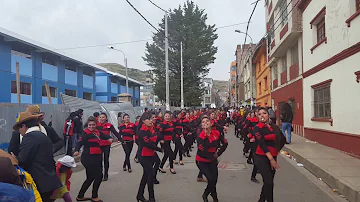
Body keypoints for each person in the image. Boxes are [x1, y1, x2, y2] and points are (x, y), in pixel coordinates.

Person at [12, 111, 62, 202]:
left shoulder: (30, 137)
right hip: (49, 182)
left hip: (40, 183)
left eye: (19, 128)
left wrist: (14, 158)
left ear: (23, 126)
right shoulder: (42, 135)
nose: (18, 131)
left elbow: (23, 159)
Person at [74, 116, 112, 202]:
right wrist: (76, 150)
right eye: (89, 125)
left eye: (93, 125)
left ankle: (80, 196)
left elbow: (104, 135)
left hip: (97, 157)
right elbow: (79, 143)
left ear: (96, 125)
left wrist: (109, 138)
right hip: (88, 158)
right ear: (87, 125)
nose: (91, 127)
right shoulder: (85, 133)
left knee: (90, 178)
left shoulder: (97, 132)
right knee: (98, 176)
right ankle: (94, 196)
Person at [196, 116, 228, 202]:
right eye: (203, 122)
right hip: (202, 161)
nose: (205, 123)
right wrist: (206, 135)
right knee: (210, 179)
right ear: (201, 126)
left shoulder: (216, 133)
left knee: (214, 180)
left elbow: (225, 143)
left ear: (211, 123)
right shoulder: (200, 136)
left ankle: (212, 196)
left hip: (212, 160)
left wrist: (218, 154)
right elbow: (204, 151)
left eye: (207, 121)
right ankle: (208, 196)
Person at [254, 107, 281, 202]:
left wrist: (277, 151)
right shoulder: (257, 128)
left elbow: (281, 139)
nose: (262, 115)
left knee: (268, 183)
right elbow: (262, 144)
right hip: (261, 157)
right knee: (269, 183)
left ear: (268, 115)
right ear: (257, 117)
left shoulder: (274, 127)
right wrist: (271, 159)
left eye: (264, 113)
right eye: (259, 114)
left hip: (273, 156)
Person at [136, 112, 163, 202]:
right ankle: (152, 197)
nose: (151, 120)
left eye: (152, 118)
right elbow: (147, 144)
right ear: (143, 121)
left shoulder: (151, 129)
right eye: (149, 119)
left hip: (151, 154)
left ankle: (139, 195)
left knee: (146, 175)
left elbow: (157, 137)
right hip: (143, 156)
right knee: (150, 175)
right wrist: (159, 149)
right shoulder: (142, 131)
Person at [97, 113, 123, 181]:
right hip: (98, 145)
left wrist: (121, 140)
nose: (102, 119)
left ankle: (106, 174)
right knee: (99, 160)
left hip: (106, 145)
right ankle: (100, 174)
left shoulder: (109, 125)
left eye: (103, 117)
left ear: (106, 118)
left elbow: (115, 132)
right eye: (100, 117)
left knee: (106, 159)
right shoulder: (96, 125)